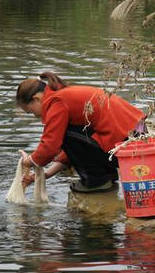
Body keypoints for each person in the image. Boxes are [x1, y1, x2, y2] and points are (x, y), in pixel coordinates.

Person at [15, 72, 146, 193]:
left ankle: (97, 181)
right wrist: (46, 174)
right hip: (138, 137)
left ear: (37, 98)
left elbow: (50, 146)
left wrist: (29, 161)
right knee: (65, 133)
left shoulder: (56, 102)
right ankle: (104, 177)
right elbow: (75, 147)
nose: (35, 116)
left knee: (64, 133)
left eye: (31, 111)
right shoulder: (63, 95)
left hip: (129, 146)